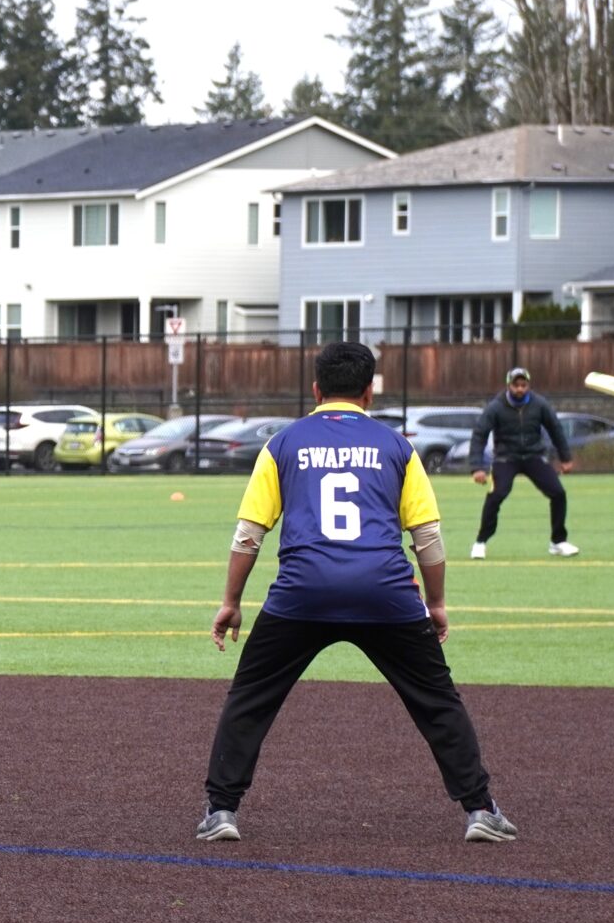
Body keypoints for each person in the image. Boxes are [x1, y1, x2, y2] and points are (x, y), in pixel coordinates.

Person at [201, 341, 514, 845]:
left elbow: (248, 535)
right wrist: (434, 604)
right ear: (369, 392)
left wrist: (231, 602)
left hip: (302, 594)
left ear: (316, 389)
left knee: (251, 699)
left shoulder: (282, 444)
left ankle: (221, 811)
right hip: (384, 592)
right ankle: (480, 809)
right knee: (437, 701)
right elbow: (428, 538)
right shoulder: (396, 446)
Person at [467, 367, 576, 558]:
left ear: (528, 385)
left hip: (534, 456)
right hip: (506, 458)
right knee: (497, 495)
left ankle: (558, 542)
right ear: (508, 385)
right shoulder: (496, 407)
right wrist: (477, 467)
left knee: (558, 493)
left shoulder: (540, 404)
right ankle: (480, 542)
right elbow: (480, 434)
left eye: (523, 385)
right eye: (515, 385)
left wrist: (565, 458)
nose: (519, 389)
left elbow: (556, 429)